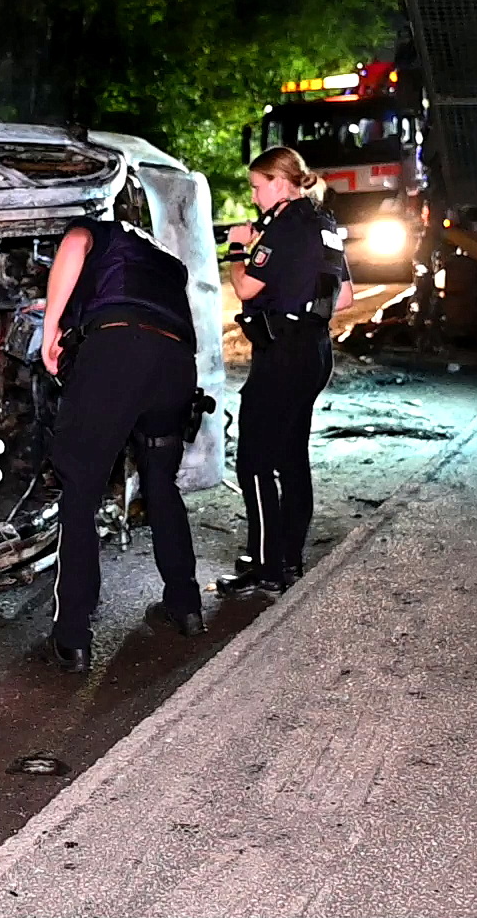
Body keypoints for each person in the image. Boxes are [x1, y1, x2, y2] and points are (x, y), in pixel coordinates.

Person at [37, 210, 206, 673]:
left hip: (118, 354)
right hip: (173, 365)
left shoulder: (98, 230)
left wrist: (50, 329)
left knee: (80, 489)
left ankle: (72, 636)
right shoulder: (165, 261)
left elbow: (74, 244)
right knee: (161, 482)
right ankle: (186, 605)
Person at [216, 146, 355, 598]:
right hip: (314, 351)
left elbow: (244, 286)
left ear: (280, 182)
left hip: (281, 355)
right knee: (292, 459)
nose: (254, 197)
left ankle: (265, 567)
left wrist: (239, 246)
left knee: (254, 461)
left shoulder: (286, 226)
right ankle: (288, 558)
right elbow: (346, 298)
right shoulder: (326, 224)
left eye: (257, 187)